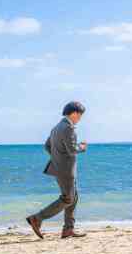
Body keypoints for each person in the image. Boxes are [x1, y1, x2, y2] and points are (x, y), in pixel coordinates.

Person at [26, 101, 88, 239]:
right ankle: (37, 218)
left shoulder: (56, 127)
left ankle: (68, 229)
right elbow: (72, 149)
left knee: (74, 197)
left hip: (60, 168)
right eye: (80, 115)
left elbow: (47, 146)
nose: (80, 118)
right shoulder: (68, 128)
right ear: (74, 113)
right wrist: (82, 147)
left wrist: (57, 158)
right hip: (65, 170)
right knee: (68, 198)